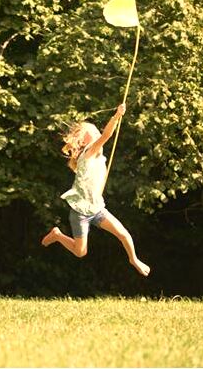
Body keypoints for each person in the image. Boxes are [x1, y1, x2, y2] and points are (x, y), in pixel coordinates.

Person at [41, 103, 151, 276]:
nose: (98, 134)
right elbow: (107, 135)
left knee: (123, 233)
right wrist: (116, 116)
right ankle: (57, 235)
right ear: (85, 139)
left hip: (97, 208)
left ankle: (134, 259)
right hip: (80, 211)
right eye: (93, 132)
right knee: (80, 252)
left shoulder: (97, 156)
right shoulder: (88, 152)